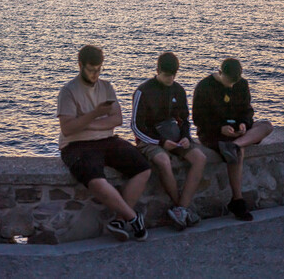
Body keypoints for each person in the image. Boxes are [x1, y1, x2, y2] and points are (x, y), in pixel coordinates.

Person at [57, 45, 151, 241]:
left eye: (99, 69)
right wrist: (96, 115)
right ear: (80, 65)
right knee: (97, 181)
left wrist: (86, 123)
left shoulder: (106, 87)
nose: (95, 74)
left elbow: (117, 119)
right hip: (76, 145)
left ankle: (119, 219)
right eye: (91, 69)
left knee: (143, 168)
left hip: (107, 140)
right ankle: (133, 219)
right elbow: (68, 128)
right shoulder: (68, 91)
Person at [131, 52, 207, 230]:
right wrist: (160, 143)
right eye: (166, 75)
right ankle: (180, 207)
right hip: (150, 140)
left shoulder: (178, 90)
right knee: (164, 162)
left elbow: (184, 119)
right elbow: (136, 126)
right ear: (157, 71)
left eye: (173, 75)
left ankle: (181, 209)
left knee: (200, 158)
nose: (169, 78)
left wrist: (186, 137)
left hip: (176, 136)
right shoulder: (143, 91)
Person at [193, 58, 273, 221]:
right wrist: (220, 128)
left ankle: (235, 145)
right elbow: (198, 118)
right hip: (212, 132)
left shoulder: (242, 85)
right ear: (220, 73)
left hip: (236, 132)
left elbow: (247, 110)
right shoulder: (204, 86)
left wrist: (244, 124)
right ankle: (237, 200)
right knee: (238, 153)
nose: (230, 86)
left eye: (234, 83)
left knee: (266, 126)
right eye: (228, 82)